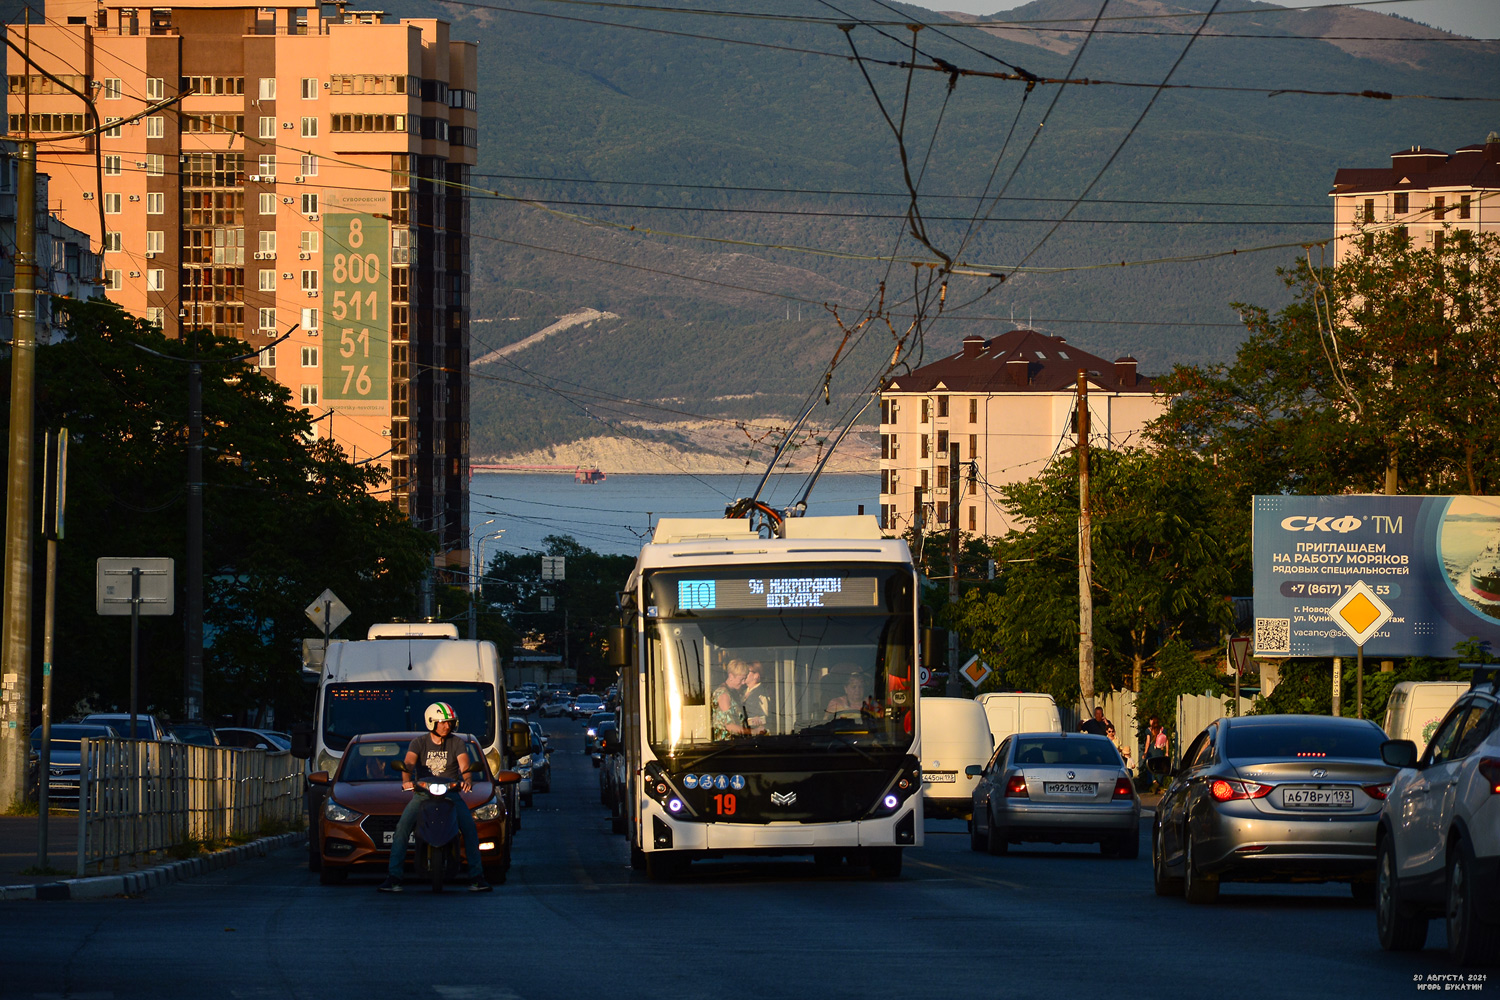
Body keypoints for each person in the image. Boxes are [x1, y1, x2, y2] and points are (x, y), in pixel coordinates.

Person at [378, 702, 490, 893]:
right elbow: (409, 764)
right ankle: (394, 876)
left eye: (450, 722)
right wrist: (406, 780)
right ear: (431, 722)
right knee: (402, 828)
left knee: (470, 828)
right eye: (443, 722)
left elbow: (464, 766)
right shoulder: (418, 743)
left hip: (451, 795)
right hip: (422, 795)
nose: (448, 726)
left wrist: (468, 780)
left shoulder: (457, 743)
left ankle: (477, 877)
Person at [711, 660, 751, 740]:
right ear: (731, 676)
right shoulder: (724, 695)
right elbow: (729, 726)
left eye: (745, 679)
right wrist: (753, 731)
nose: (743, 682)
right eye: (741, 679)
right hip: (727, 746)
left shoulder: (732, 693)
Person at [741, 662, 769, 734]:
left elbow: (768, 717)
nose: (744, 673)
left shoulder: (762, 693)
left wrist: (758, 720)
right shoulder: (743, 692)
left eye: (747, 671)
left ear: (756, 676)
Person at [1143, 717, 1170, 793]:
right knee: (1160, 768)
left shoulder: (1149, 730)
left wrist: (1145, 752)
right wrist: (1167, 752)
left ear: (1152, 721)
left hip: (1151, 751)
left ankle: (1154, 782)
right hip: (1160, 751)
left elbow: (1148, 742)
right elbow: (1167, 741)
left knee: (1151, 767)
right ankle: (1158, 783)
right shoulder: (1163, 729)